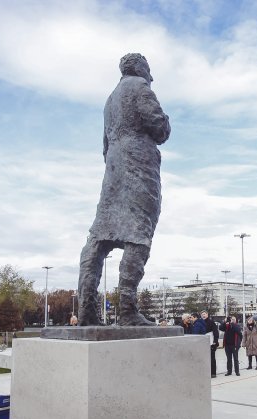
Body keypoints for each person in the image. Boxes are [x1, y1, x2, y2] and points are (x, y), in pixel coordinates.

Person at [77, 53, 170, 326]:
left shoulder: (109, 100)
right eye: (149, 72)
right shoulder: (141, 88)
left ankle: (86, 310)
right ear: (141, 69)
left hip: (114, 170)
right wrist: (166, 119)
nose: (151, 77)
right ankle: (127, 309)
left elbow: (105, 145)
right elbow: (160, 129)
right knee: (138, 234)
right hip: (138, 166)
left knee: (99, 237)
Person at [201, 311, 219, 378]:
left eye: (204, 314)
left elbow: (215, 332)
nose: (203, 315)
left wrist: (215, 341)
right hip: (203, 342)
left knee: (212, 358)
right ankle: (205, 372)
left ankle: (213, 373)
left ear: (207, 314)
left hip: (211, 342)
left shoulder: (211, 322)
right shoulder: (200, 322)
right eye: (202, 314)